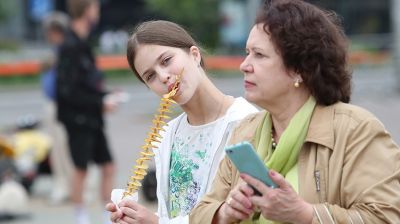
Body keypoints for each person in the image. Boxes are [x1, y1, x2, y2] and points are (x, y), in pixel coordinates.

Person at [190, 0, 400, 223]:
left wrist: (305, 214)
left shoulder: (356, 129)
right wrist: (226, 212)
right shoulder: (245, 131)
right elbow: (200, 212)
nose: (244, 65)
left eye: (259, 55)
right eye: (247, 53)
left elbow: (387, 217)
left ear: (300, 69)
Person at [106, 20, 258, 223]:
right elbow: (174, 212)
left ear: (194, 55)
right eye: (150, 76)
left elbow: (240, 214)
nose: (163, 76)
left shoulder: (246, 122)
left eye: (166, 60)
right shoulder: (168, 134)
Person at [56, 0, 118, 223]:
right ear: (87, 10)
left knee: (108, 166)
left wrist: (106, 95)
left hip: (93, 118)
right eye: (95, 7)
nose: (98, 11)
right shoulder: (70, 45)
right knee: (81, 169)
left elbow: (88, 83)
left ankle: (105, 215)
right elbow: (67, 91)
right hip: (78, 119)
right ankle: (80, 217)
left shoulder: (83, 42)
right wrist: (99, 103)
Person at [41, 11, 74, 205]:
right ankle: (64, 185)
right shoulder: (56, 51)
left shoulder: (67, 50)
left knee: (65, 147)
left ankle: (68, 187)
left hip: (63, 104)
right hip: (53, 102)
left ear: (55, 31)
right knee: (58, 147)